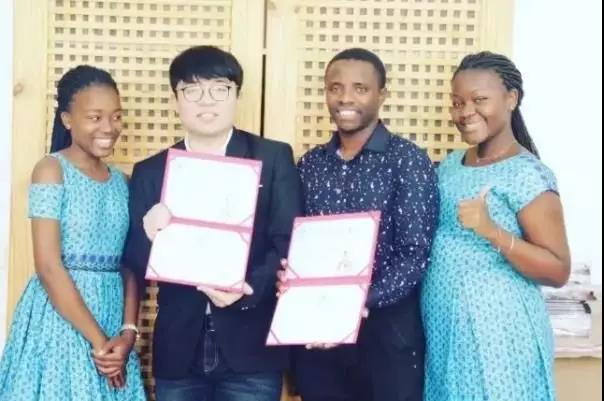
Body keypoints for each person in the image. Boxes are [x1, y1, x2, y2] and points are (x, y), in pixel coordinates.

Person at [122, 45, 303, 401]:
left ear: (236, 95)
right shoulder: (151, 171)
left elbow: (289, 241)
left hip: (251, 346)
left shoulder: (272, 157)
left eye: (220, 89)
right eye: (192, 90)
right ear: (175, 99)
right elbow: (135, 262)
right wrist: (149, 232)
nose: (207, 101)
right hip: (180, 349)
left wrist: (247, 288)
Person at [290, 48, 439, 401]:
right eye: (335, 88)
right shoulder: (310, 164)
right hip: (320, 334)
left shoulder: (408, 161)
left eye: (360, 88)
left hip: (387, 337)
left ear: (381, 94)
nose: (345, 98)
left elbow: (414, 255)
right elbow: (299, 245)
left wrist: (356, 302)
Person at [421, 51, 571, 401]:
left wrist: (491, 231)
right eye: (457, 103)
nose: (465, 112)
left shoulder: (527, 174)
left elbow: (558, 270)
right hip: (446, 331)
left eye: (479, 100)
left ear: (511, 99)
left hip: (499, 337)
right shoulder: (451, 165)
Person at [0, 65, 146, 401]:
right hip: (61, 322)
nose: (108, 127)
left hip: (112, 320)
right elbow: (49, 267)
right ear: (67, 119)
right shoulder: (51, 169)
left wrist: (126, 333)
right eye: (95, 117)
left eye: (116, 117)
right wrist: (99, 343)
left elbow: (130, 266)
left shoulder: (123, 182)